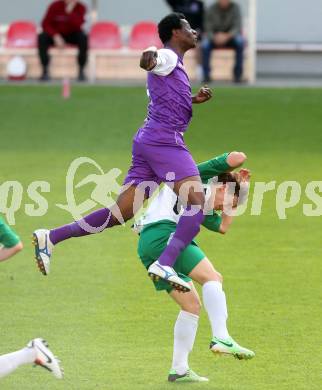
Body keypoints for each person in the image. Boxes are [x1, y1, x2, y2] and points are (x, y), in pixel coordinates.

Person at [33, 13, 212, 293]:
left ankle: (50, 237)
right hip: (164, 140)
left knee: (120, 213)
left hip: (149, 140)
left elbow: (164, 95)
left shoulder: (172, 64)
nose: (194, 32)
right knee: (197, 203)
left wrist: (192, 100)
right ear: (175, 33)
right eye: (189, 28)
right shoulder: (166, 56)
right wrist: (149, 56)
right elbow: (150, 59)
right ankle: (165, 263)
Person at [133, 151, 254, 382]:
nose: (222, 210)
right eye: (229, 203)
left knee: (191, 306)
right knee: (213, 278)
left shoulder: (205, 203)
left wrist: (243, 191)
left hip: (149, 244)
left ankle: (179, 369)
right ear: (222, 189)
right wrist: (235, 176)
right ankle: (222, 336)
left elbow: (222, 227)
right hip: (164, 235)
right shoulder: (197, 177)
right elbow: (238, 157)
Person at [38, 0, 88, 81]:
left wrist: (69, 12)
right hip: (56, 34)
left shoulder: (81, 7)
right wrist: (55, 36)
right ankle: (45, 70)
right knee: (42, 37)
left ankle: (81, 70)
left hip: (72, 34)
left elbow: (78, 25)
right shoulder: (54, 5)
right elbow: (45, 24)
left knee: (83, 38)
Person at [202, 0, 244, 83]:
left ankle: (237, 76)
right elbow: (207, 26)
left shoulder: (235, 8)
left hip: (230, 37)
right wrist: (214, 37)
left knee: (240, 42)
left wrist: (227, 36)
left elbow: (237, 26)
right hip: (214, 37)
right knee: (205, 45)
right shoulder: (211, 8)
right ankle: (206, 75)